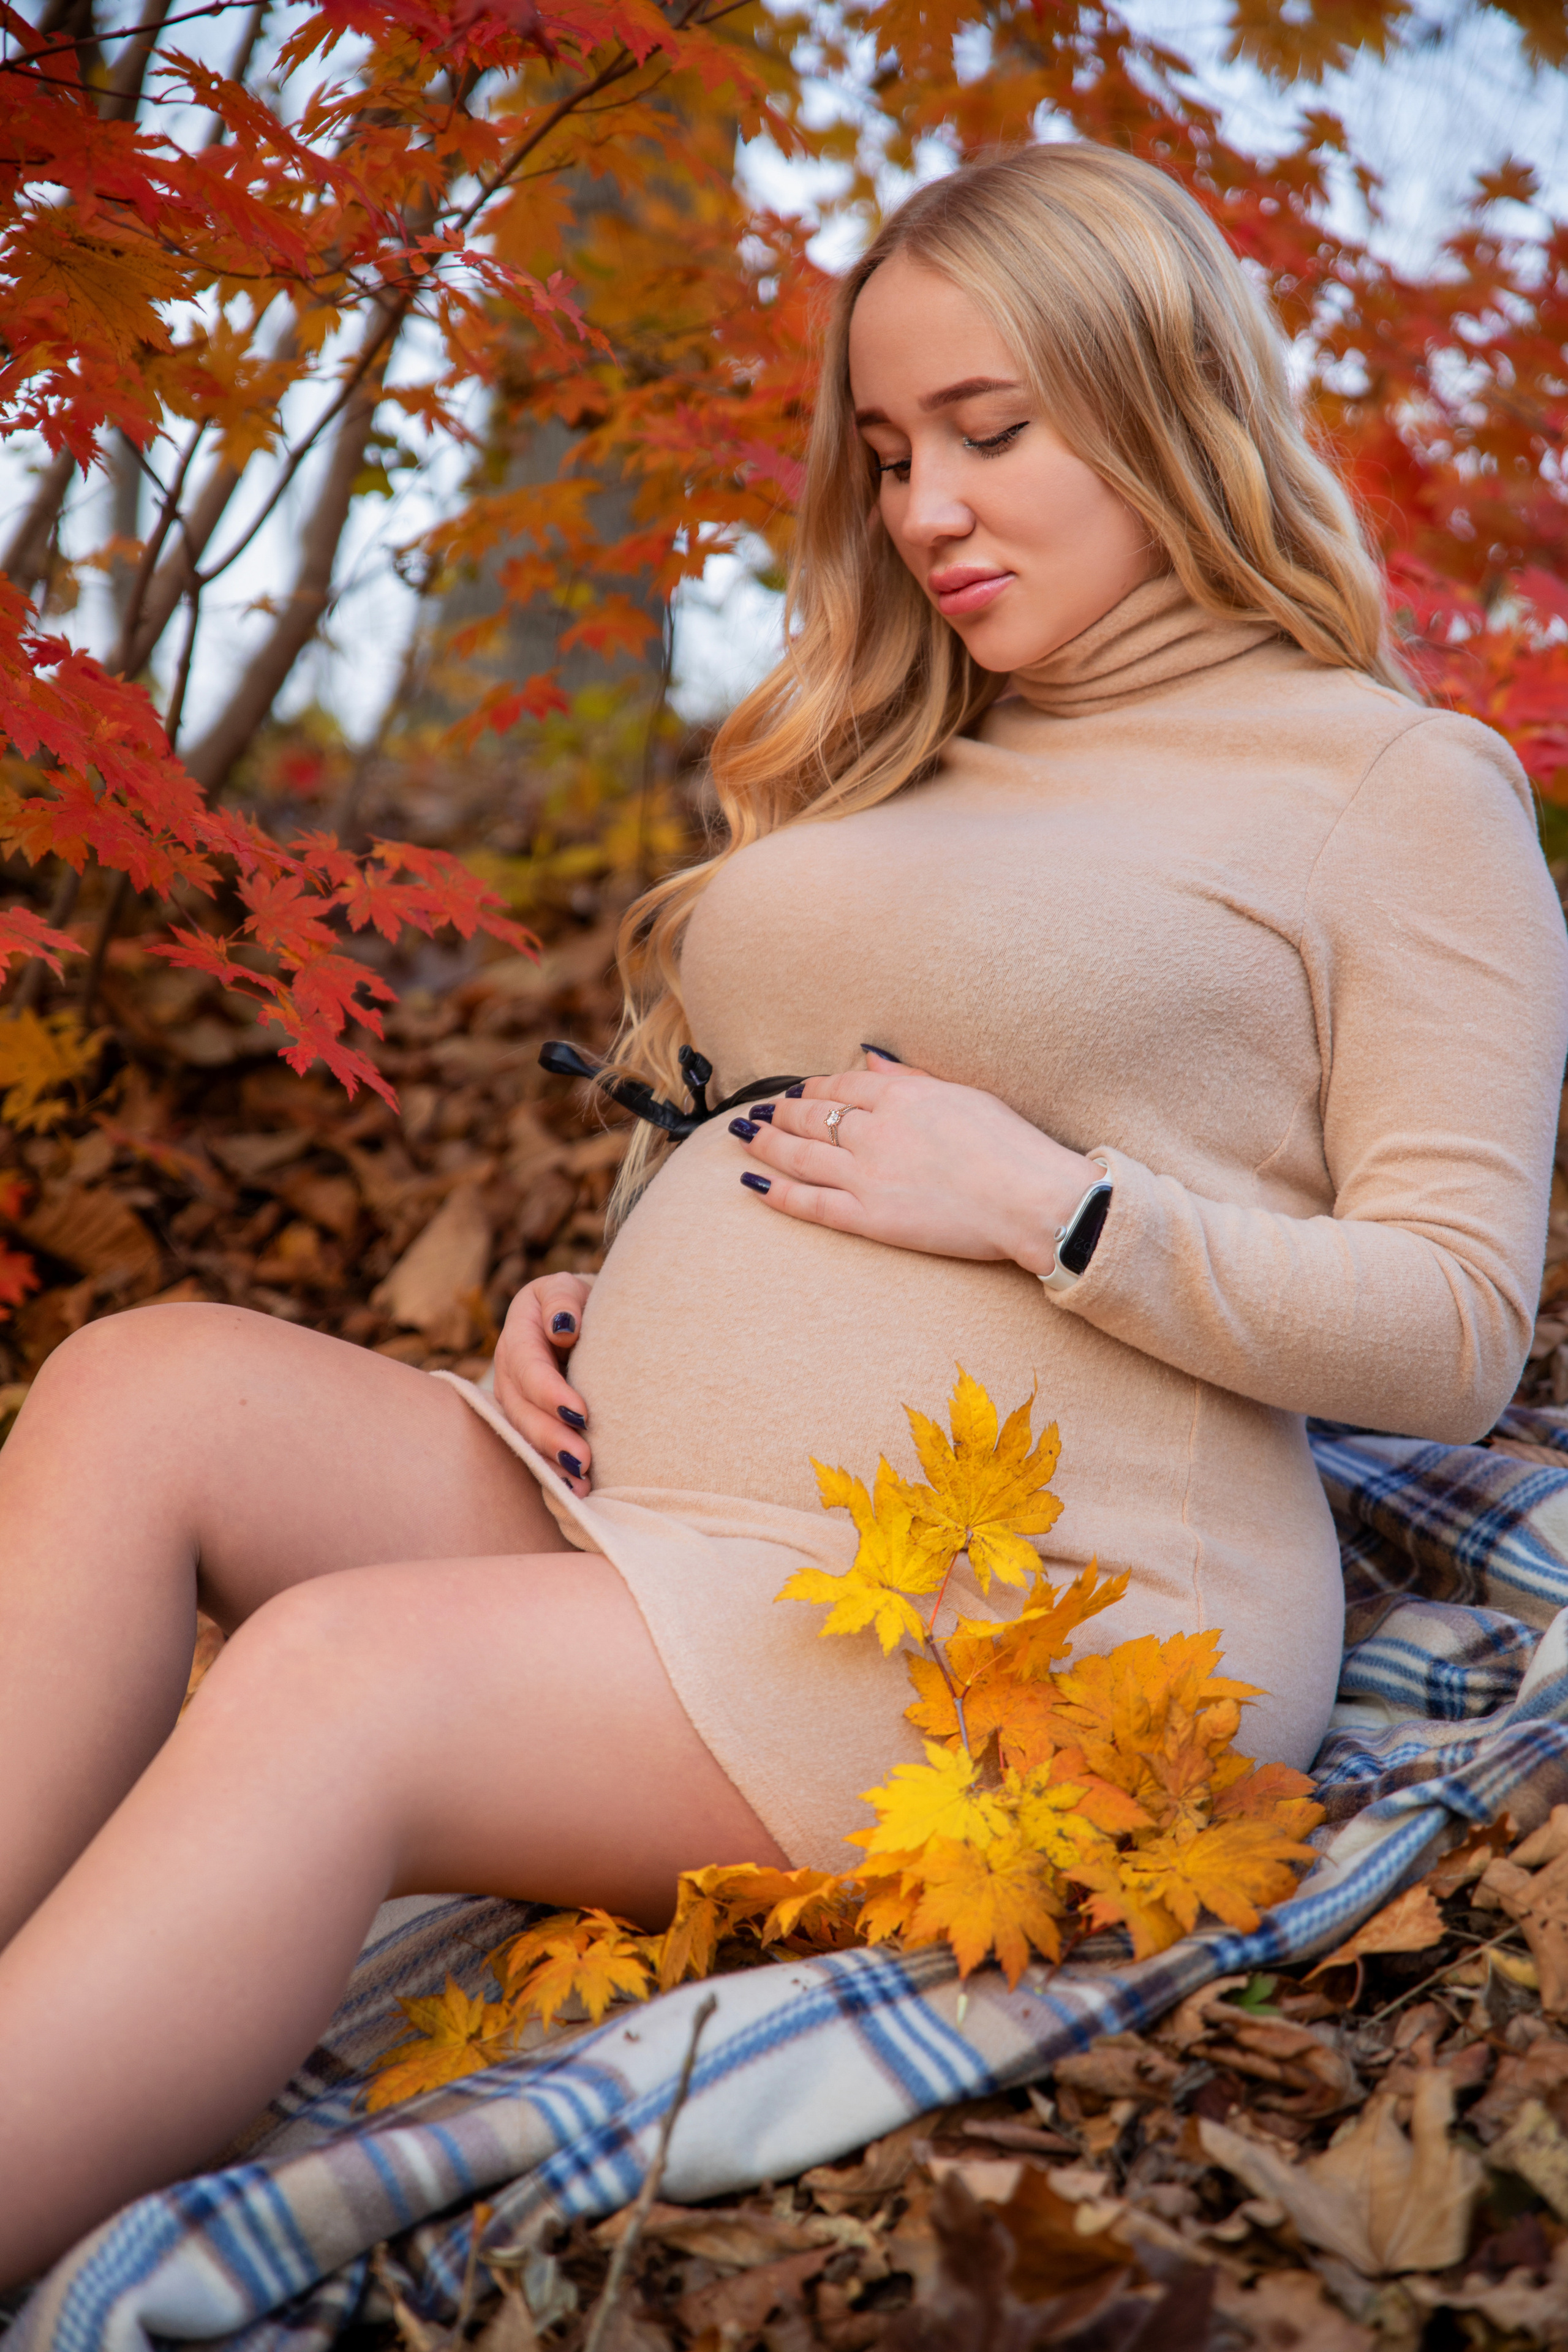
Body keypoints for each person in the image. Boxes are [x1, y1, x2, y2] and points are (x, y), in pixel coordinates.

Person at [0, 138, 1562, 2286]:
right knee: (137, 1382)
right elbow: (726, 1130)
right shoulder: (902, 757)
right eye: (894, 449)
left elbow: (1458, 1318)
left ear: (1167, 396)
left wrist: (1058, 1208)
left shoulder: (1396, 788)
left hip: (1040, 1633)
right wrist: (595, 1287)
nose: (926, 509)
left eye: (992, 434)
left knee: (334, 1674)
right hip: (661, 1511)